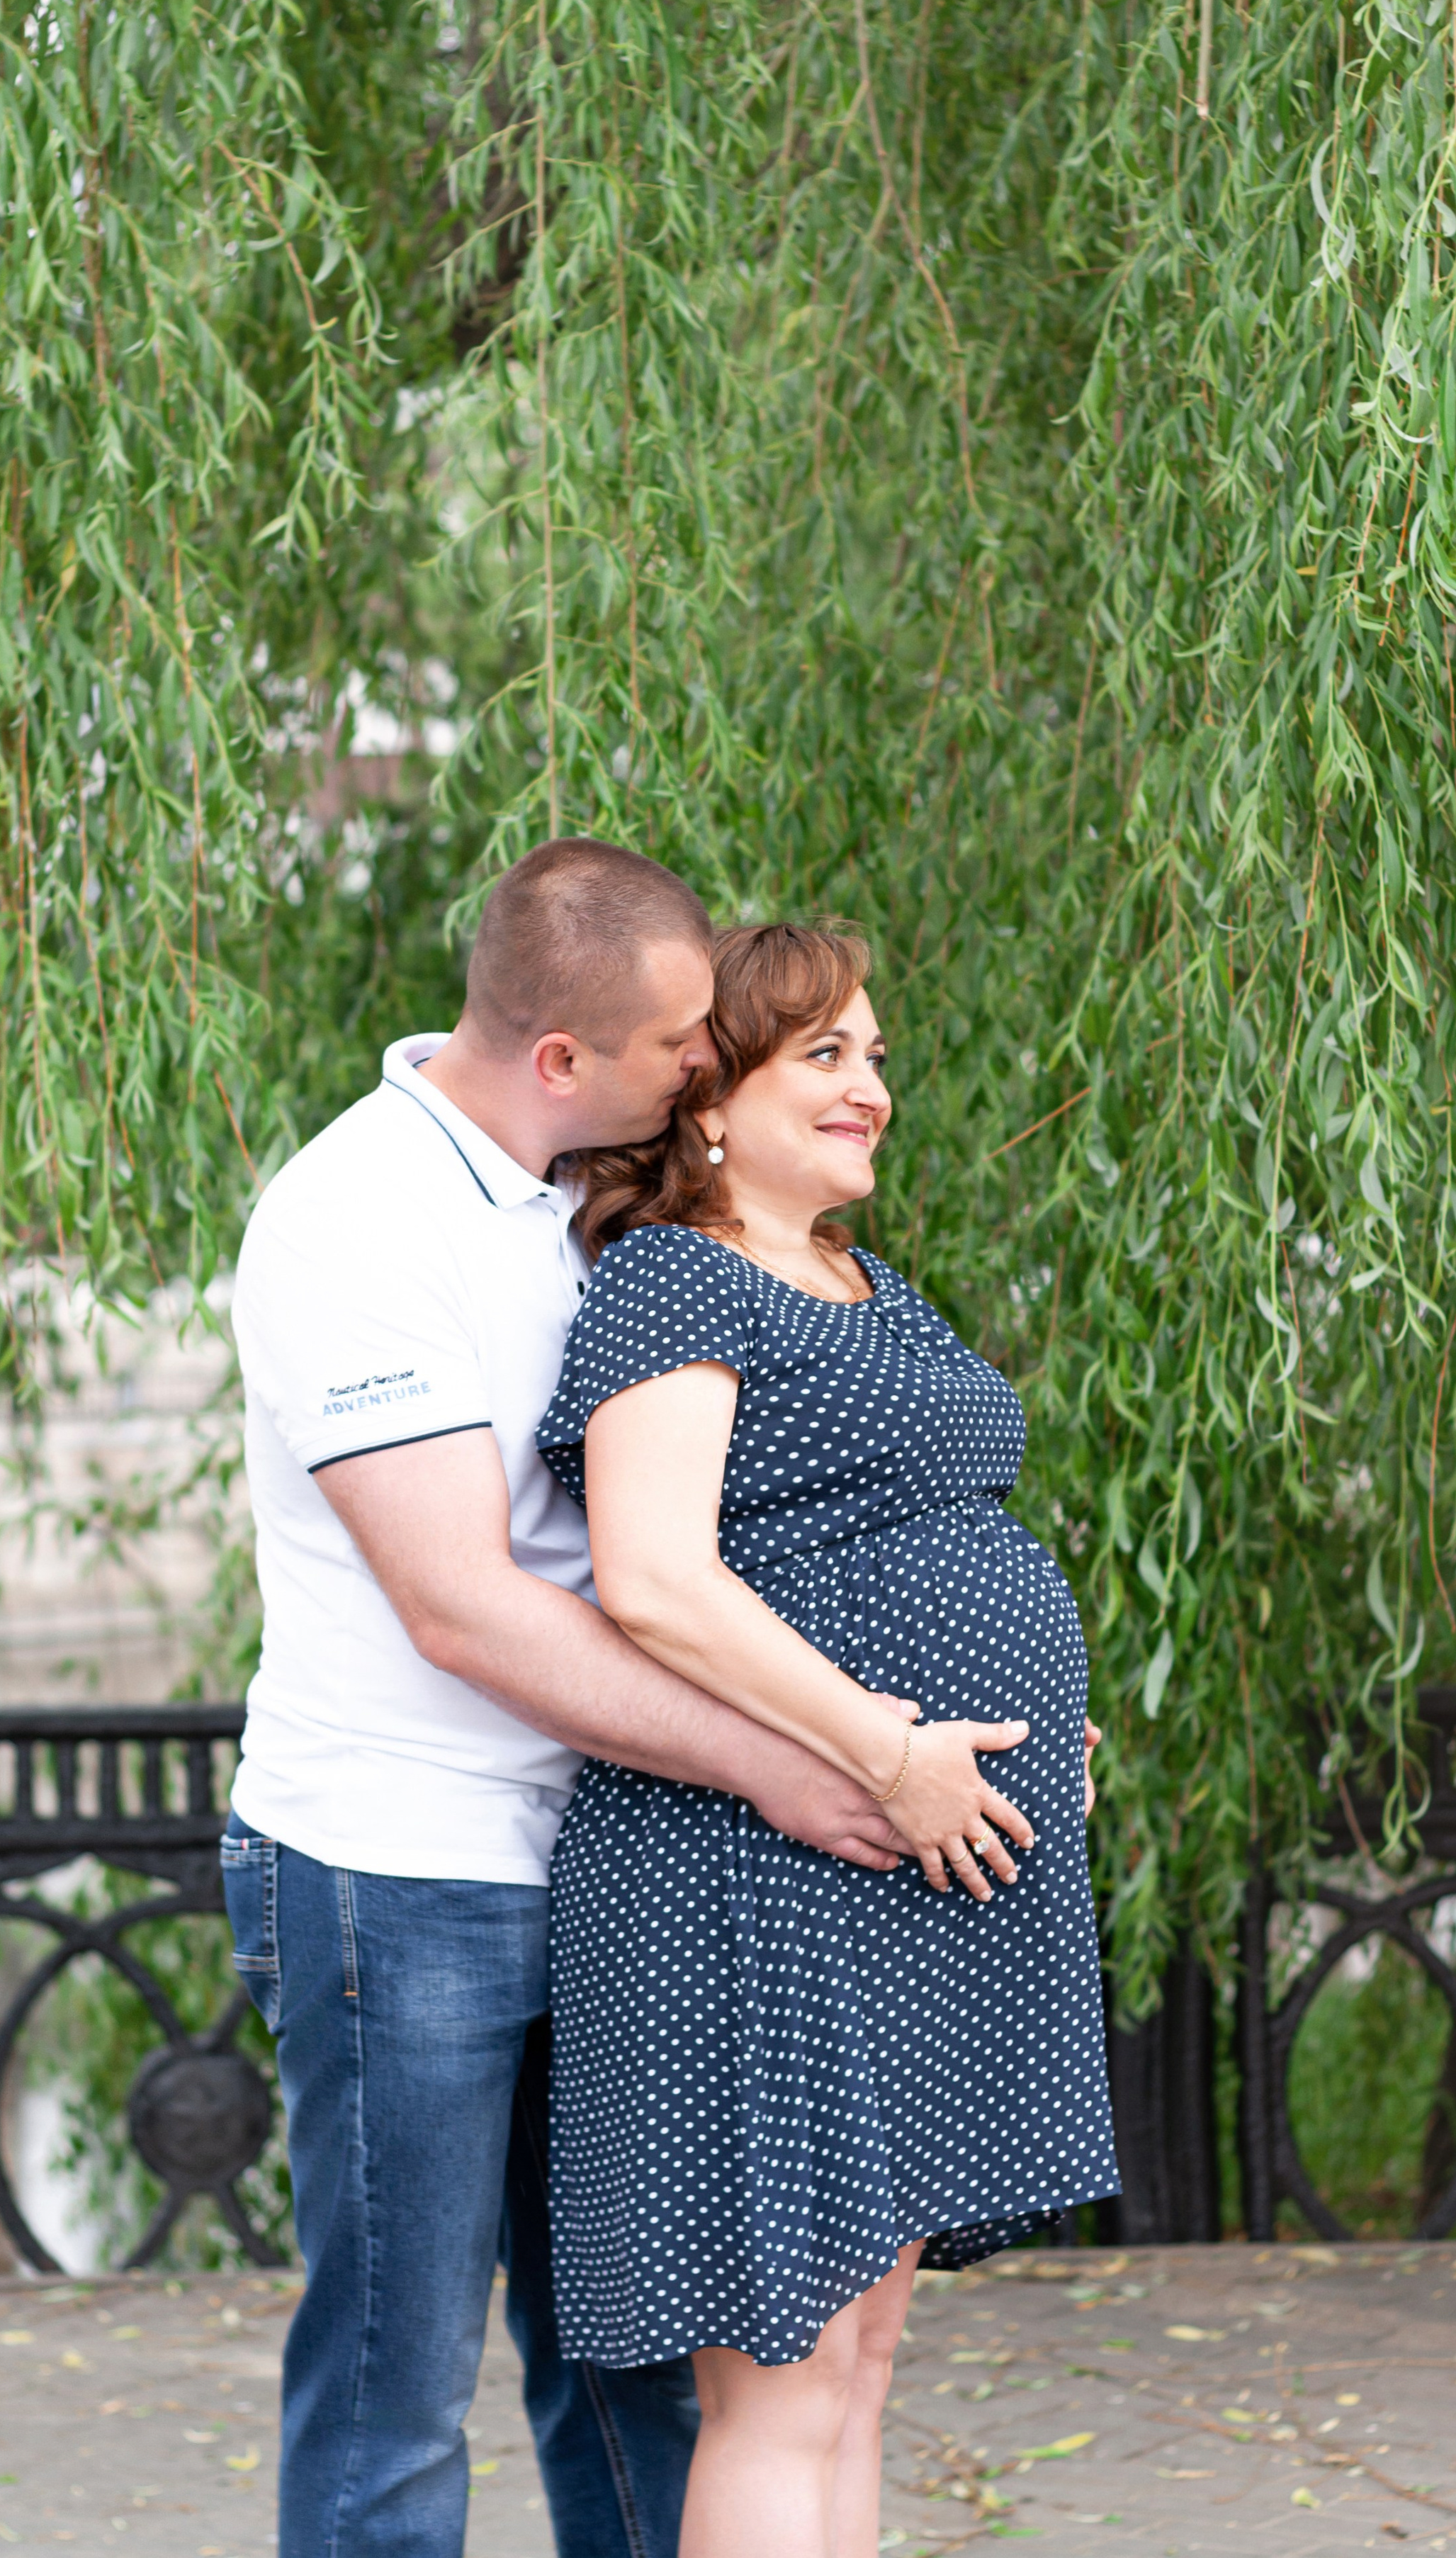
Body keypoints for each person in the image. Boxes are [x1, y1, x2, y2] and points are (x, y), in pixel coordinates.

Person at [221, 844, 916, 2558]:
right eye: (683, 1038)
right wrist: (791, 1765)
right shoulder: (352, 1217)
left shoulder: (593, 1193)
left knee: (631, 2366)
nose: (706, 1064)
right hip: (406, 1873)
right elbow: (466, 1605)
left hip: (620, 1858)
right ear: (559, 1055)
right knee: (396, 2394)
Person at [536, 920, 1119, 2558]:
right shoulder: (671, 1279)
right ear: (709, 1091)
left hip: (904, 1862)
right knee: (782, 2375)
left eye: (875, 1054)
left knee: (858, 2357)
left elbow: (916, 1527)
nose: (871, 1086)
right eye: (827, 1056)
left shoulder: (872, 1283)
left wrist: (1016, 1716)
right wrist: (888, 1744)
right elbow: (654, 1577)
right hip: (760, 1871)